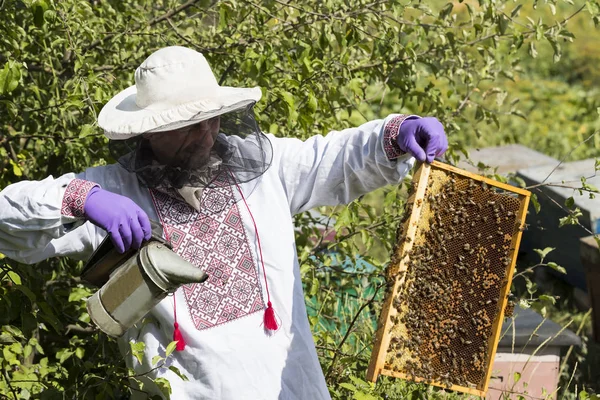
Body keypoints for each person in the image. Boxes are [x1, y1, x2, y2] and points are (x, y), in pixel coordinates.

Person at [0, 46, 448, 399]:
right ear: (148, 130)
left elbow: (329, 157)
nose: (205, 133)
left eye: (208, 118)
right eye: (186, 124)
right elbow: (7, 213)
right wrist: (84, 198)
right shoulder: (115, 188)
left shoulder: (263, 167)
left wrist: (395, 134)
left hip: (291, 388)